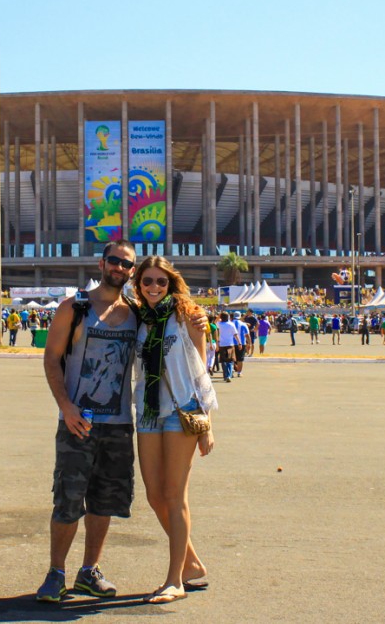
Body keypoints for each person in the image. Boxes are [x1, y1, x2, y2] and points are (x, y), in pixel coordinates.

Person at [37, 240, 139, 603]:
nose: (119, 268)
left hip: (118, 424)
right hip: (78, 422)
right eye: (114, 261)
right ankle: (55, 573)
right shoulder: (75, 307)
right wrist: (66, 407)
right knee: (68, 499)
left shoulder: (137, 311)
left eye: (127, 264)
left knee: (105, 500)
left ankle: (88, 571)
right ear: (101, 263)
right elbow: (51, 360)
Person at [131, 256, 216, 604]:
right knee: (154, 494)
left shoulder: (187, 315)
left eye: (160, 282)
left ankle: (175, 579)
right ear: (138, 284)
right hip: (149, 412)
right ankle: (192, 562)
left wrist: (207, 422)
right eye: (147, 281)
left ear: (171, 283)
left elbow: (201, 367)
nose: (153, 287)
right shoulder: (137, 317)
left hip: (182, 410)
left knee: (174, 494)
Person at [215, 311, 240, 383]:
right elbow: (235, 334)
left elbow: (215, 321)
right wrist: (239, 343)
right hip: (230, 344)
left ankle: (225, 375)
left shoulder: (219, 324)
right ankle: (229, 375)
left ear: (221, 317)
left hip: (222, 344)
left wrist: (219, 316)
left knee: (223, 361)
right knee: (230, 360)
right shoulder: (231, 324)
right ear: (228, 317)